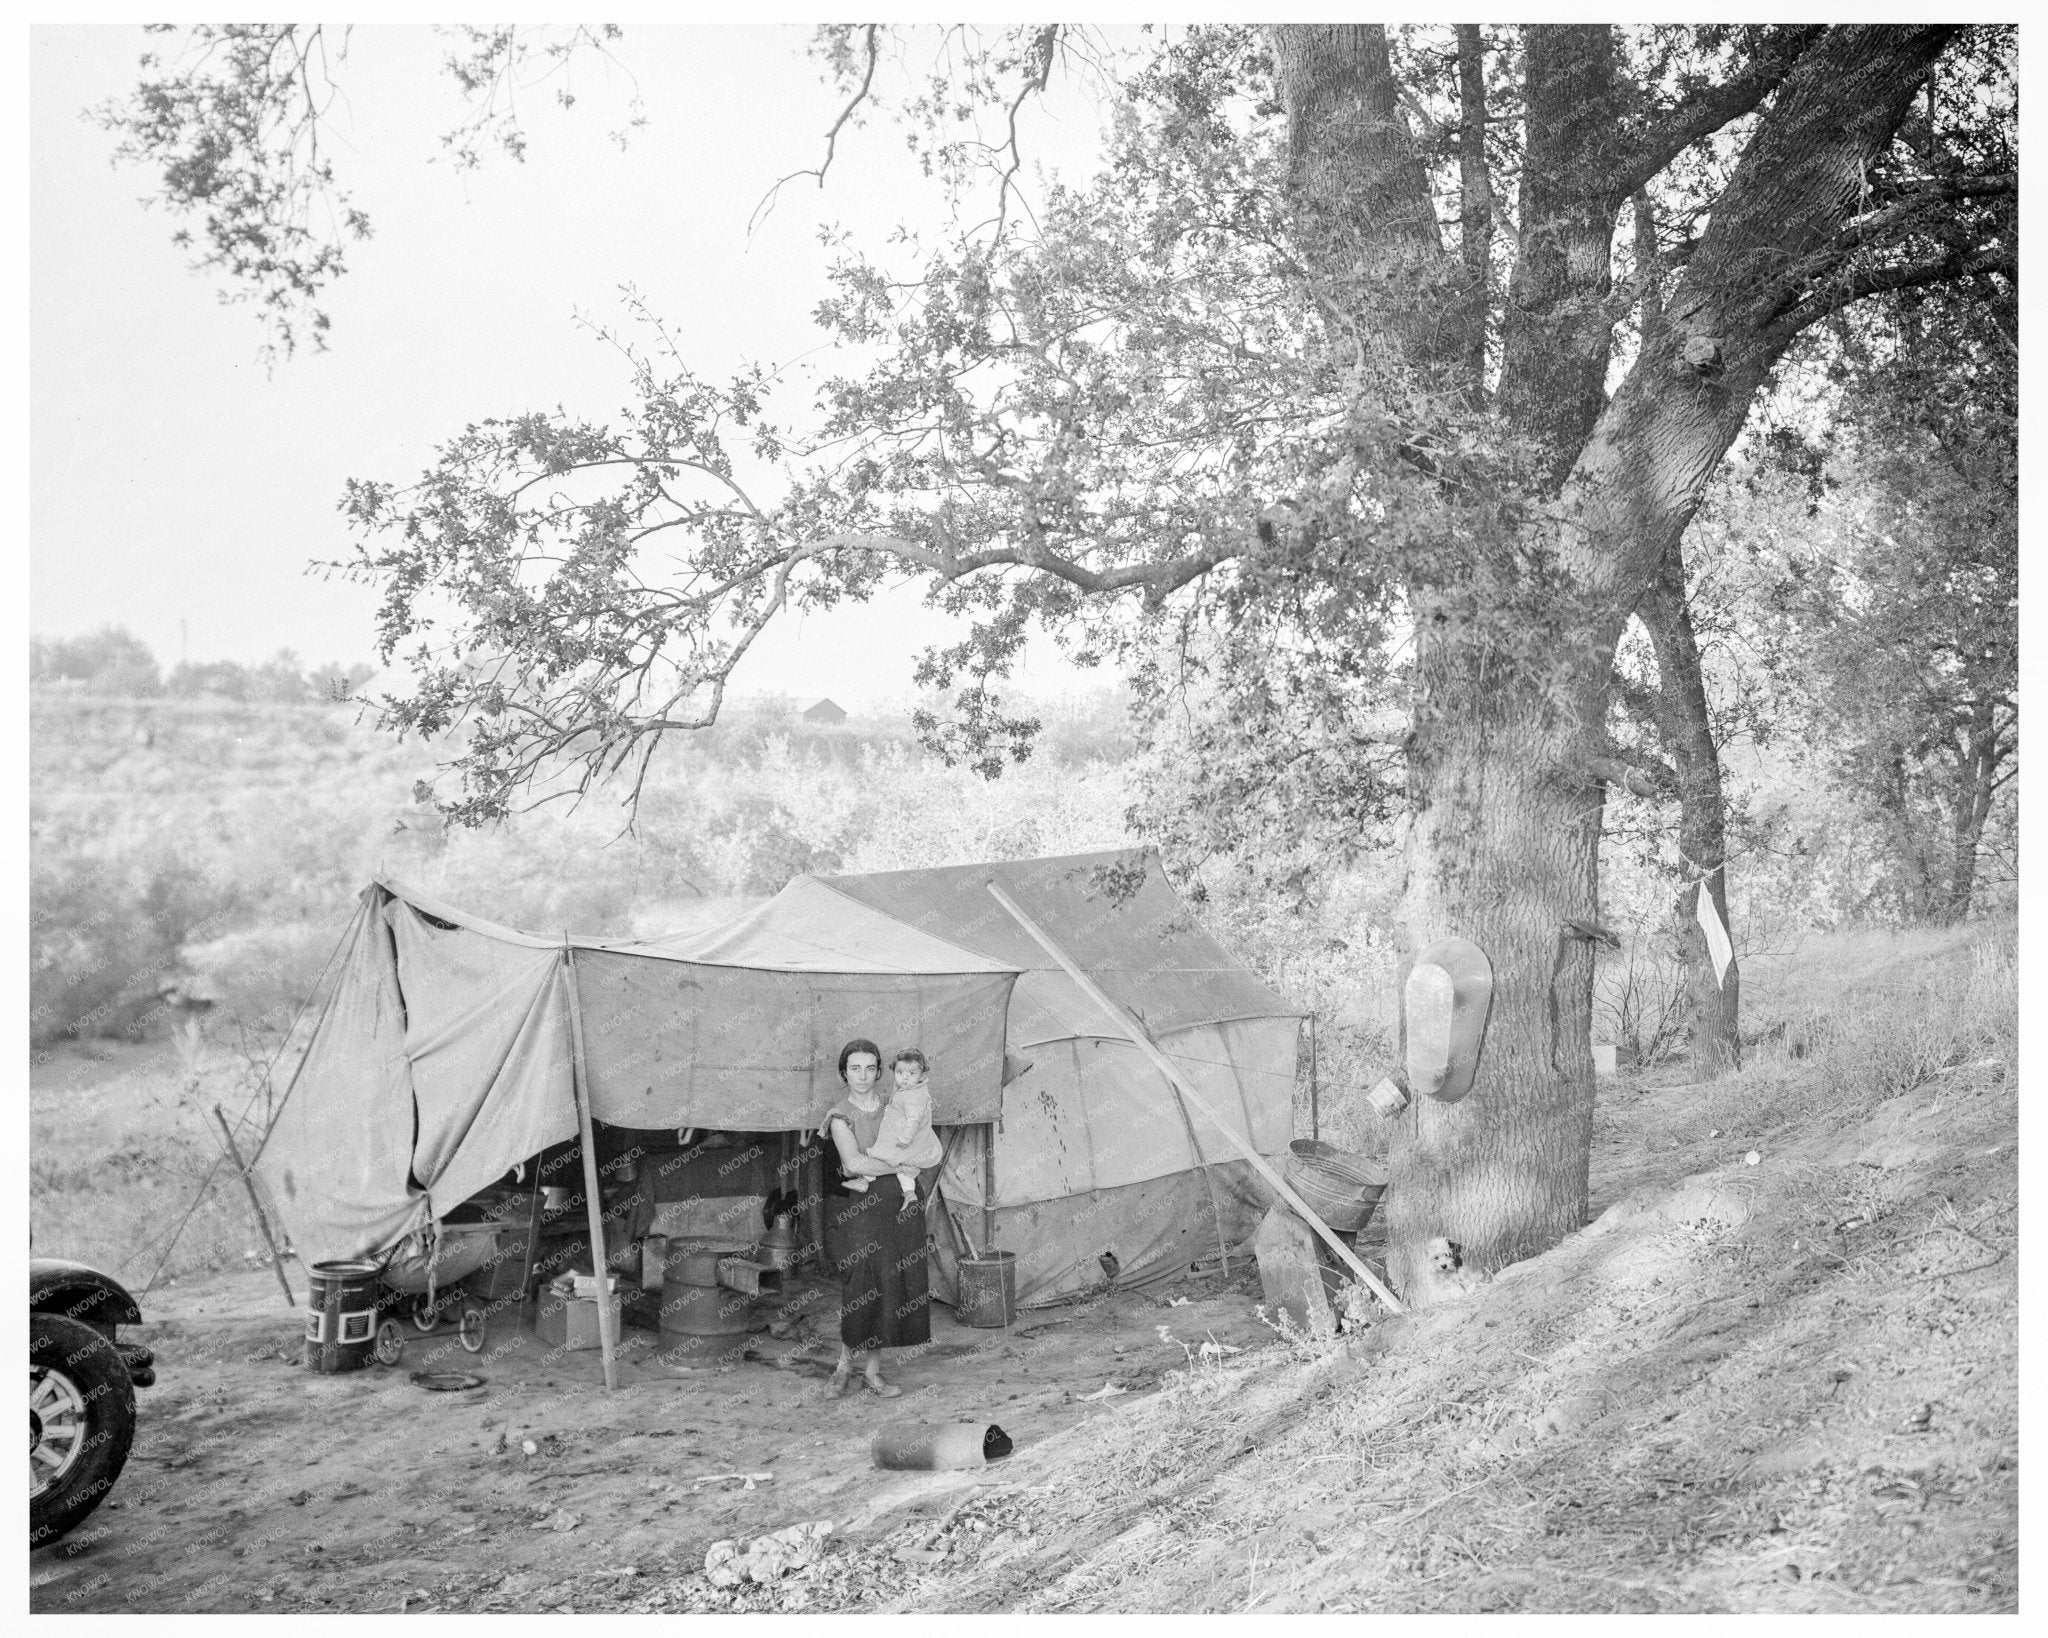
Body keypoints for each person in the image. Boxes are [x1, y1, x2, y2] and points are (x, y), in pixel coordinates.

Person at [818, 1038, 931, 1397]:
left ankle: (872, 1372)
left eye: (870, 1068)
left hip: (896, 1204)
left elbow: (921, 1140)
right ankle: (841, 1368)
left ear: (880, 1071)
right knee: (860, 1286)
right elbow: (854, 1163)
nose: (863, 1075)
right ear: (844, 1073)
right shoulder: (839, 1116)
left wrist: (910, 1158)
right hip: (861, 1210)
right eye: (855, 1068)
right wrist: (901, 1162)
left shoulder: (895, 1104)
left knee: (890, 1284)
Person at [851, 1048, 944, 1219]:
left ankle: (864, 1180)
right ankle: (909, 1193)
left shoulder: (915, 1095)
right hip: (901, 1132)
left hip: (904, 1137)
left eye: (911, 1073)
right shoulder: (907, 1088)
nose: (905, 1076)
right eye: (900, 1072)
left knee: (881, 1155)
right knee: (905, 1167)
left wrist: (905, 1138)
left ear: (921, 1075)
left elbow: (914, 1119)